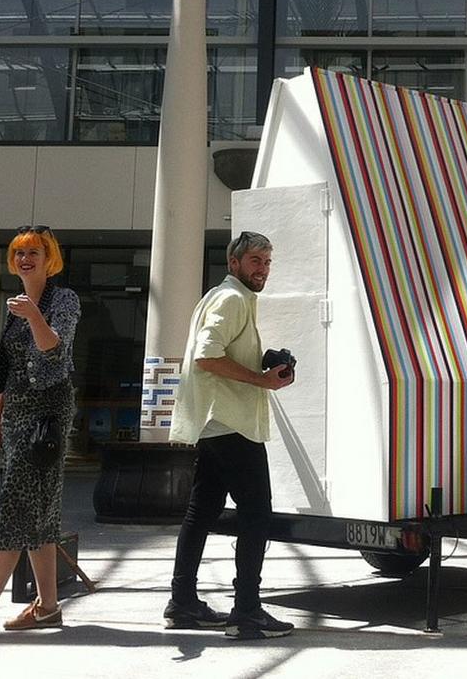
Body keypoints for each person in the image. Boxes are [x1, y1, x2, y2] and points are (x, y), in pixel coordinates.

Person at [0, 225, 81, 641]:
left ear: (49, 258)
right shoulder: (15, 306)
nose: (25, 259)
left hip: (47, 412)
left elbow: (54, 349)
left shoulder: (64, 300)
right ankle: (47, 608)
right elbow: (3, 370)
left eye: (34, 252)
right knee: (38, 511)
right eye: (19, 253)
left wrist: (35, 315)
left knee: (15, 509)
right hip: (16, 412)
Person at [163, 231, 296, 639]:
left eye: (268, 261)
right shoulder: (232, 299)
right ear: (234, 263)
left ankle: (182, 601)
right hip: (231, 424)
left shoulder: (222, 298)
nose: (263, 268)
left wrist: (263, 364)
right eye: (255, 260)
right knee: (256, 514)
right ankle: (247, 610)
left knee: (201, 511)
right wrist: (260, 378)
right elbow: (207, 355)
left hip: (214, 423)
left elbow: (216, 353)